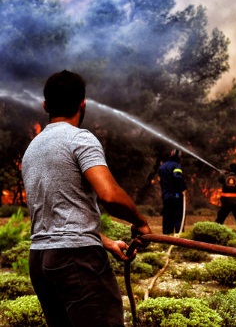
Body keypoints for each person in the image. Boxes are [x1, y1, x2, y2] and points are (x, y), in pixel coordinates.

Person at [21, 70, 152, 327]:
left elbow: (55, 213)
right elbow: (110, 195)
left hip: (39, 261)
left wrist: (104, 241)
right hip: (76, 261)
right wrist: (140, 221)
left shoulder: (33, 148)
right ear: (83, 103)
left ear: (46, 105)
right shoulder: (80, 138)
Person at [159, 149, 187, 234]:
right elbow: (177, 177)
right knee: (178, 217)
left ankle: (166, 236)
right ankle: (179, 237)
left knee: (167, 216)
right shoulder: (176, 166)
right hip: (176, 195)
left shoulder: (162, 166)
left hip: (166, 195)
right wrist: (183, 188)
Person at [215, 163, 236, 230]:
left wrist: (222, 174)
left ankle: (216, 228)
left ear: (229, 169)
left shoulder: (225, 176)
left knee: (221, 216)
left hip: (226, 201)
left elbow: (219, 180)